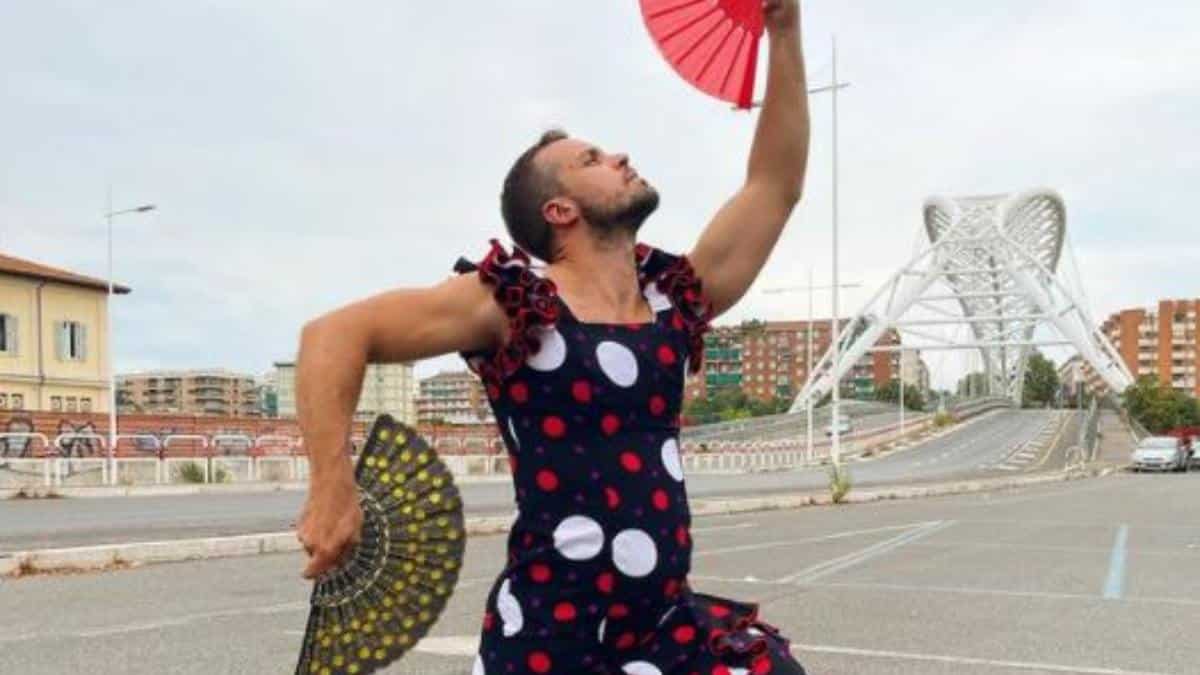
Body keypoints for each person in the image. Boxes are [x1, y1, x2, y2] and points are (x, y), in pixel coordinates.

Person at [295, 1, 810, 671]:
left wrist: (784, 30)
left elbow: (775, 185)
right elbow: (333, 334)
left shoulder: (672, 297)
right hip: (548, 639)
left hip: (662, 629)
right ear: (559, 209)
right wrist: (331, 484)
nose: (620, 156)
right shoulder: (513, 303)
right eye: (593, 159)